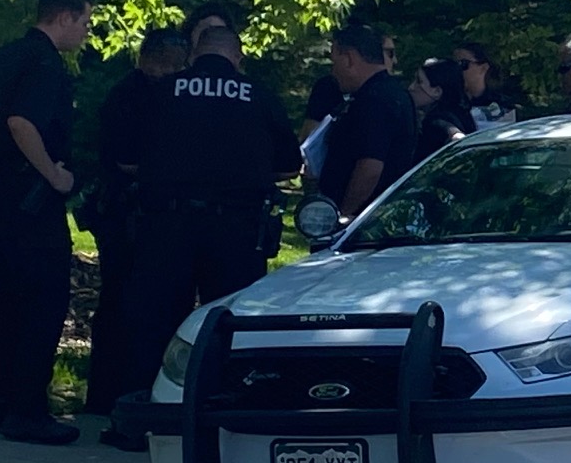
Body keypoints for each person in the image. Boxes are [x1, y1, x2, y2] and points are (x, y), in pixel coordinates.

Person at [118, 26, 301, 419]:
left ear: (195, 56)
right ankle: (228, 415)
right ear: (237, 57)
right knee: (231, 321)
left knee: (157, 320)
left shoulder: (163, 93)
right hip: (235, 228)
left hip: (167, 224)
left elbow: (127, 158)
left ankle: (148, 418)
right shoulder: (258, 96)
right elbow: (289, 166)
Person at [0, 0, 92, 444]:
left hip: (1, 200)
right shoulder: (46, 65)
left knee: (7, 302)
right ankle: (28, 409)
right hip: (32, 203)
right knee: (43, 304)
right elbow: (21, 122)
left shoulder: (5, 58)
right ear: (63, 17)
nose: (86, 33)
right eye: (84, 22)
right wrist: (55, 176)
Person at [84, 27, 190, 422]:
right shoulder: (131, 96)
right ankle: (109, 395)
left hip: (145, 215)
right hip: (126, 214)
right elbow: (127, 160)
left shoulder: (148, 91)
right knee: (121, 304)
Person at [316, 24, 417, 216]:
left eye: (334, 62)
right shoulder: (395, 94)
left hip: (363, 221)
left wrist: (343, 216)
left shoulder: (374, 99)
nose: (333, 72)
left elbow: (370, 168)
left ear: (349, 59)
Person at [409, 58, 477, 163]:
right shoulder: (463, 113)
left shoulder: (436, 120)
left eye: (419, 81)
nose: (411, 87)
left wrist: (455, 135)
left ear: (437, 91)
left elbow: (450, 130)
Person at [453, 41, 518, 127]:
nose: (456, 70)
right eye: (454, 65)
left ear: (483, 68)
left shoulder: (505, 105)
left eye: (463, 64)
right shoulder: (450, 102)